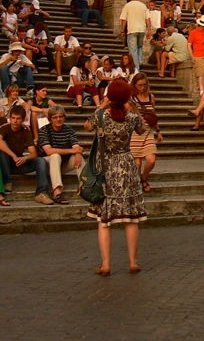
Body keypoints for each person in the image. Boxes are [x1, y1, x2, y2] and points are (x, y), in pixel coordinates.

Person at [83, 79, 147, 275]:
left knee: (104, 220)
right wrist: (134, 109)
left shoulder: (101, 116)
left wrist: (102, 105)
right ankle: (133, 262)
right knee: (131, 218)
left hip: (106, 167)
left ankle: (106, 264)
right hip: (126, 164)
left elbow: (86, 126)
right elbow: (143, 129)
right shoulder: (131, 118)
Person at [0, 105, 51, 203]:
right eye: (13, 118)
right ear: (10, 118)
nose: (15, 121)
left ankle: (42, 192)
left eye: (18, 118)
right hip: (4, 164)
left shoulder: (26, 131)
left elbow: (34, 153)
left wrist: (25, 158)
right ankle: (8, 180)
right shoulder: (5, 128)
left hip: (18, 164)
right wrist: (13, 156)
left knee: (41, 160)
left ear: (23, 119)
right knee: (2, 146)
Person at [38, 105, 84, 205]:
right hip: (46, 166)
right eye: (55, 117)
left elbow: (77, 147)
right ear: (50, 119)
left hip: (62, 165)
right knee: (55, 155)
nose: (58, 119)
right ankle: (57, 192)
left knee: (78, 157)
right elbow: (49, 151)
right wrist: (72, 151)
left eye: (61, 116)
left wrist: (77, 154)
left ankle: (85, 186)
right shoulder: (44, 130)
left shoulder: (69, 130)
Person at [129, 73, 162, 192]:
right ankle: (139, 182)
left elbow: (153, 115)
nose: (142, 87)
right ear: (135, 85)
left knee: (151, 159)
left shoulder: (150, 97)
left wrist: (158, 131)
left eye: (144, 85)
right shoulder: (131, 98)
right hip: (136, 131)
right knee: (137, 163)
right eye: (139, 85)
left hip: (148, 131)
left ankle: (144, 177)